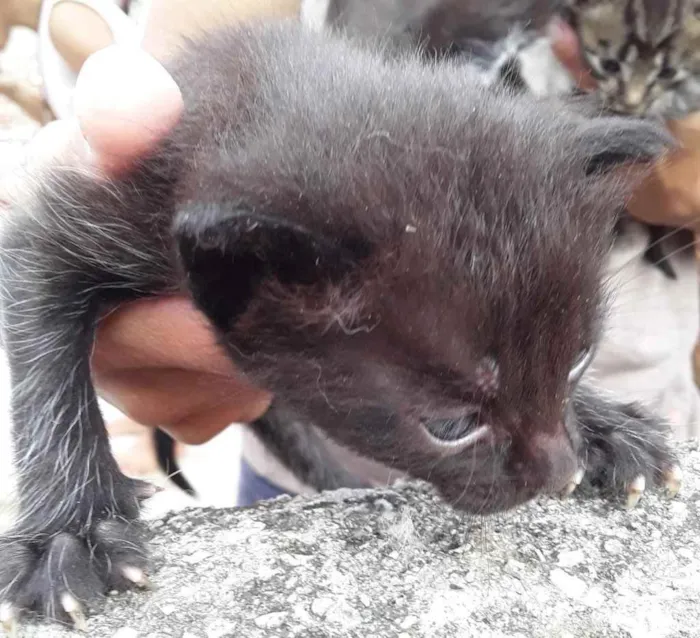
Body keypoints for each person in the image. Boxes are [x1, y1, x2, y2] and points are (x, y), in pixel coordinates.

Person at [3, 3, 699, 506]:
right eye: (456, 422)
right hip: (308, 370)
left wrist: (542, 395)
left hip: (636, 365)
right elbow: (31, 258)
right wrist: (70, 495)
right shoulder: (239, 215)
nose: (556, 470)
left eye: (571, 359)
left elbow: (519, 318)